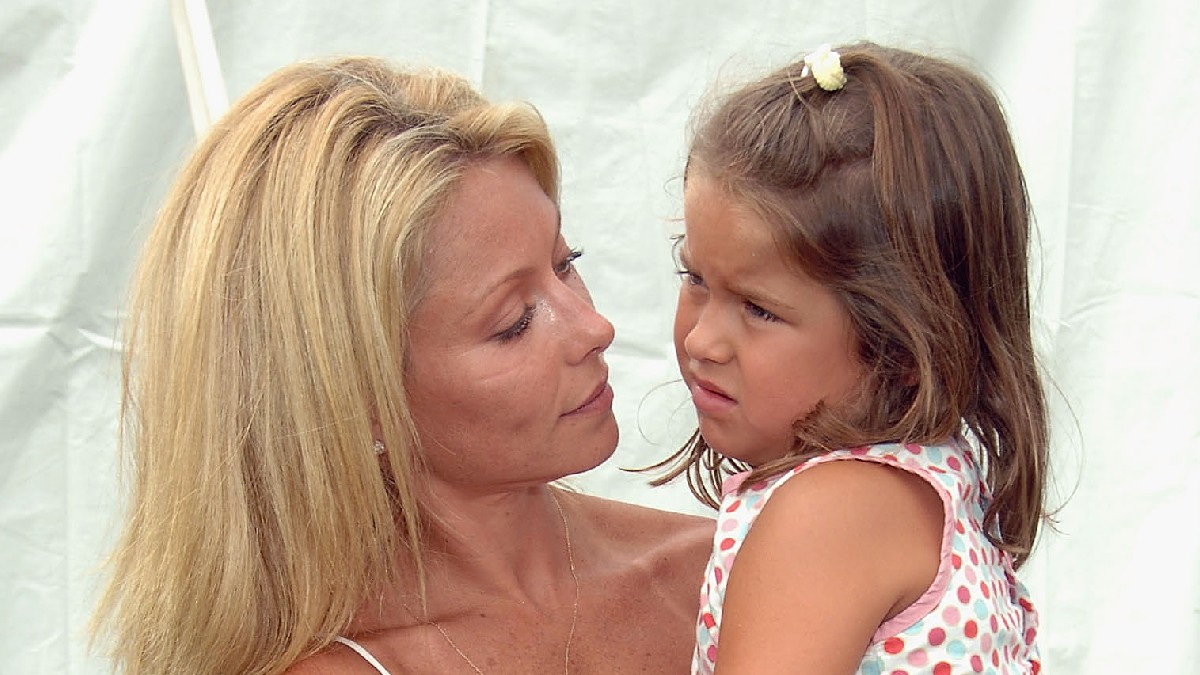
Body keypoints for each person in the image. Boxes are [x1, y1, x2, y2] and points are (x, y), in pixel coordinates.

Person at [92, 56, 713, 675]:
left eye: (565, 263)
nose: (595, 328)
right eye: (513, 322)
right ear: (355, 398)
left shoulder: (720, 572)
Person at [653, 42, 1048, 674]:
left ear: (901, 342)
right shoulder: (924, 480)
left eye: (758, 309)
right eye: (694, 276)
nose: (701, 340)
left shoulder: (832, 514)